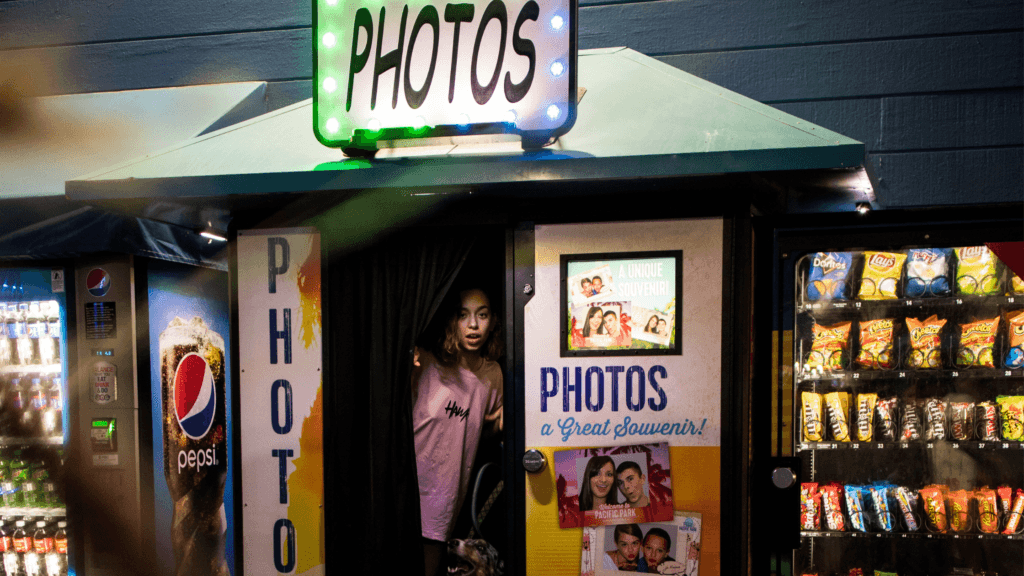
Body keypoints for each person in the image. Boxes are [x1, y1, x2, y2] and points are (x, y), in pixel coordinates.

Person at [412, 288, 504, 576]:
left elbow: (479, 435)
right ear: (451, 320)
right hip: (410, 487)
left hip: (445, 496)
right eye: (463, 315)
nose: (473, 325)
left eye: (482, 315)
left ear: (493, 321)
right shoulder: (425, 362)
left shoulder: (492, 375)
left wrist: (501, 424)